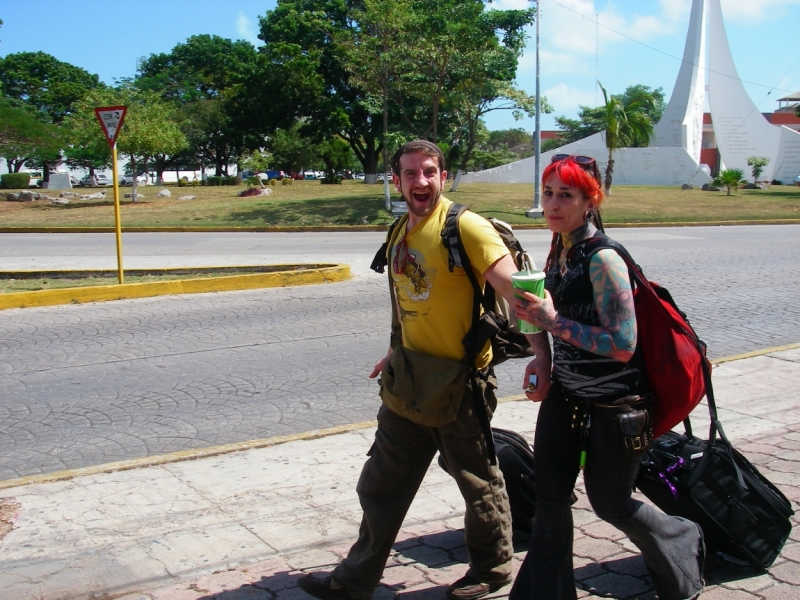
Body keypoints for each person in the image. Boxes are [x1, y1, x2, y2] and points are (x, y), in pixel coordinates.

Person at [297, 140, 551, 600]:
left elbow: (521, 294)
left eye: (429, 172)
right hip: (408, 381)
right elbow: (406, 303)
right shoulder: (399, 232)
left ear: (444, 176)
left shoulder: (467, 228)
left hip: (460, 384)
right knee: (380, 484)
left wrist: (542, 356)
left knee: (478, 483)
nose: (421, 182)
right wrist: (395, 350)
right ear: (396, 180)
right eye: (411, 173)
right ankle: (353, 583)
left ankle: (492, 570)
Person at [509, 154, 705, 600]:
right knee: (550, 501)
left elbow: (622, 344)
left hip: (616, 407)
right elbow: (546, 320)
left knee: (611, 504)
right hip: (567, 395)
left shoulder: (604, 259)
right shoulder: (560, 248)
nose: (553, 204)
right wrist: (541, 355)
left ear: (590, 200)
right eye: (548, 193)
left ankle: (681, 538)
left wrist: (553, 322)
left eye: (566, 195)